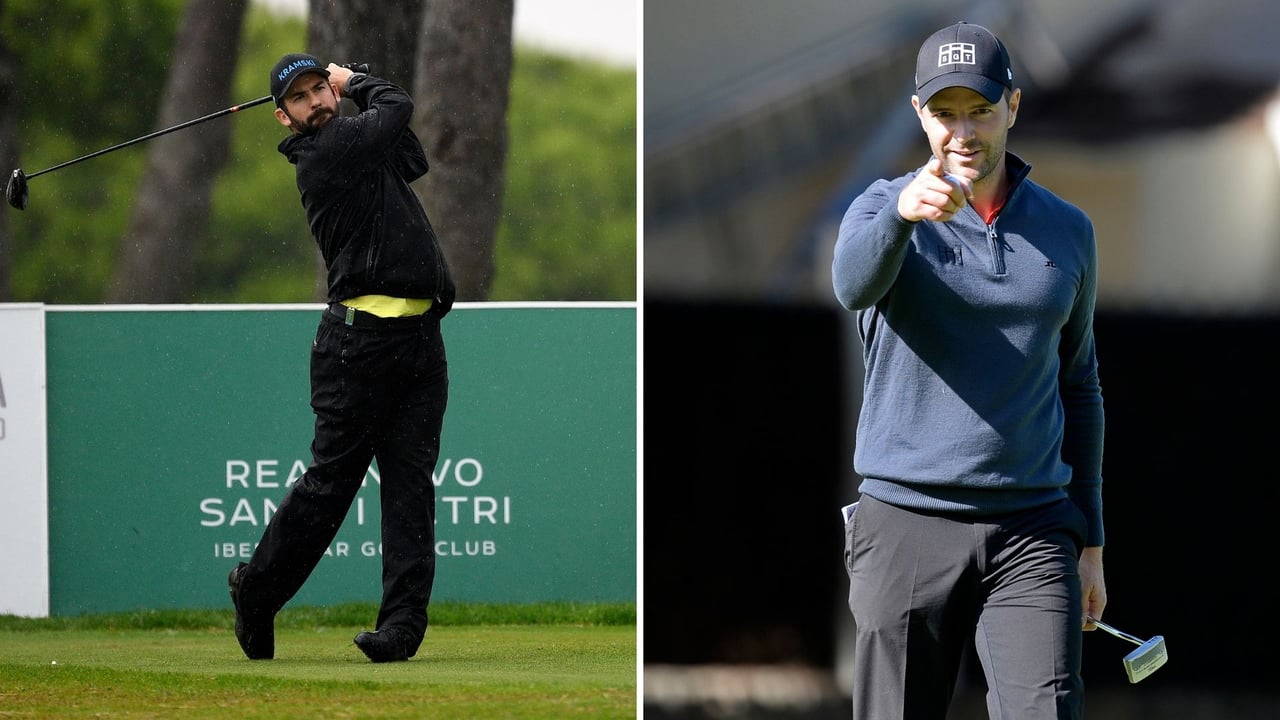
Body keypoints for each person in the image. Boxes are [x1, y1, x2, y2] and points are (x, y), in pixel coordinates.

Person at [832, 22, 1107, 719]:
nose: (962, 132)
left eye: (980, 110)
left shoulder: (1069, 229)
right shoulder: (880, 208)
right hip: (905, 523)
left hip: (1033, 531)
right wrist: (901, 218)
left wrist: (1092, 543)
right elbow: (852, 286)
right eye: (944, 112)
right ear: (919, 114)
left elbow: (1079, 383)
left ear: (1012, 106)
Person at [227, 53, 455, 663]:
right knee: (331, 487)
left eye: (318, 90)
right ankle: (256, 591)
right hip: (357, 348)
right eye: (300, 98)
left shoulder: (358, 147)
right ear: (283, 117)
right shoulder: (322, 154)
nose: (315, 102)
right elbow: (398, 105)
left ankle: (401, 626)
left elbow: (413, 157)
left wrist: (355, 93)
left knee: (410, 487)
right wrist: (354, 81)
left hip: (419, 345)